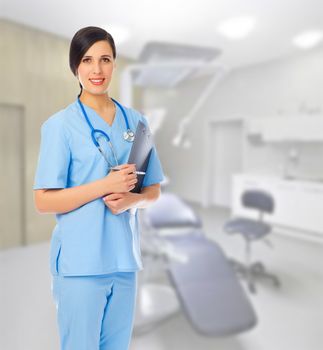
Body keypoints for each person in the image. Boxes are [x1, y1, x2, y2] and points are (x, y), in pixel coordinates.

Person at [33, 26, 164, 350]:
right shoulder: (59, 126)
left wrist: (132, 200)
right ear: (75, 66)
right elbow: (43, 201)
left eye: (105, 59)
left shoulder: (136, 123)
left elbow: (153, 192)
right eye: (87, 60)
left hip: (124, 262)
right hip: (81, 264)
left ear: (114, 64)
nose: (97, 69)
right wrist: (104, 185)